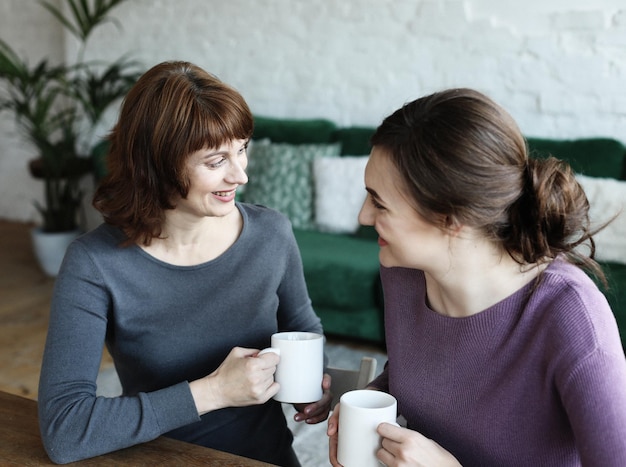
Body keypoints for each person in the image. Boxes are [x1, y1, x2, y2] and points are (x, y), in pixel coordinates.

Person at [38, 60, 332, 466]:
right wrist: (215, 391)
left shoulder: (271, 234)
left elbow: (302, 328)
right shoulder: (95, 264)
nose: (241, 175)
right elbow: (65, 430)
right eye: (216, 161)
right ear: (156, 164)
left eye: (242, 149)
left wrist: (315, 380)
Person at [327, 88, 626, 466]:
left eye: (379, 202)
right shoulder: (403, 273)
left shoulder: (572, 318)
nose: (363, 217)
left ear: (452, 218)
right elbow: (428, 373)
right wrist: (370, 403)